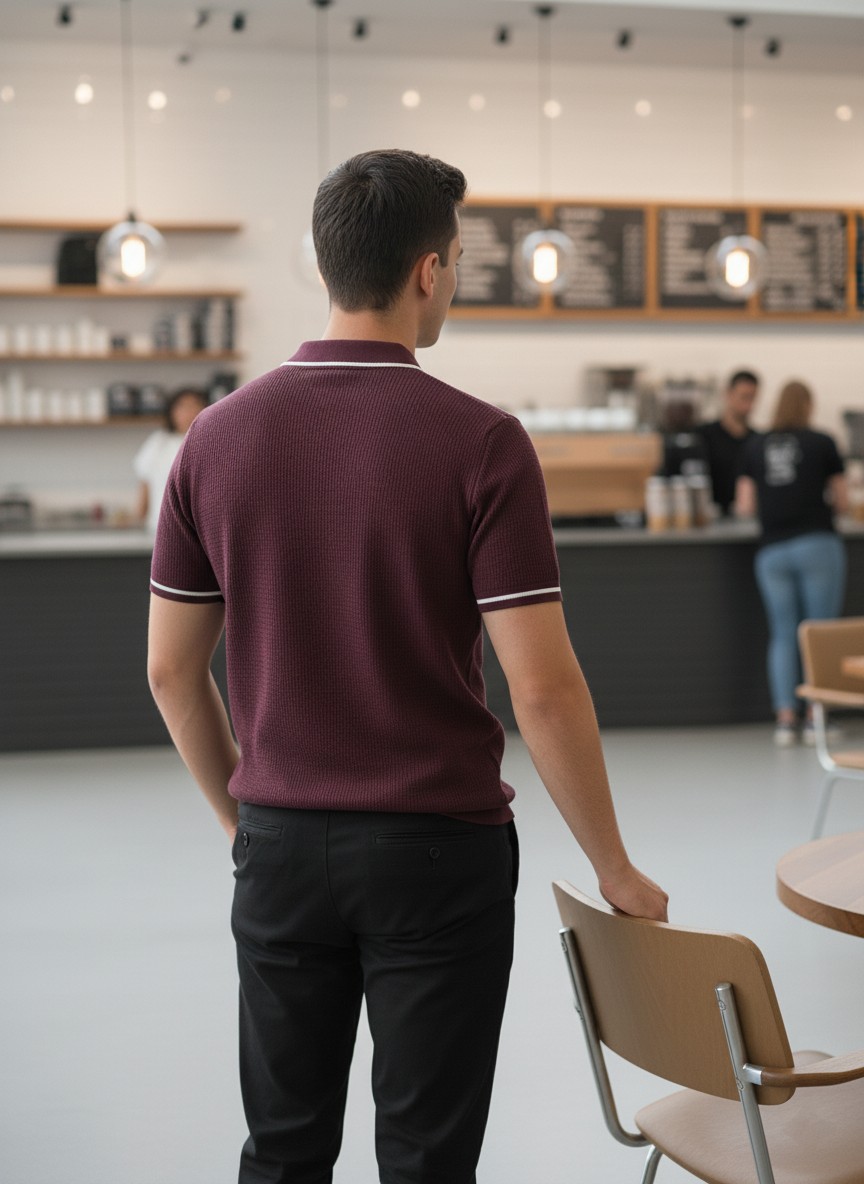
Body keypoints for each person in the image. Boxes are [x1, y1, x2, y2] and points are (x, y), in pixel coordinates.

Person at [146, 148, 668, 1184]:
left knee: (283, 1145)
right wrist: (612, 863)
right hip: (439, 850)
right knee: (427, 1155)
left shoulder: (212, 439)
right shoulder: (483, 442)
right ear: (428, 270)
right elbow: (544, 687)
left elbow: (171, 670)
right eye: (462, 260)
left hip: (283, 843)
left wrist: (242, 822)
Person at [737, 380, 848, 747]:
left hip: (772, 551)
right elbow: (844, 500)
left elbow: (744, 506)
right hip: (817, 544)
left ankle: (786, 720)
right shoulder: (823, 441)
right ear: (809, 405)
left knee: (783, 634)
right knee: (818, 633)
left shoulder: (755, 445)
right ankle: (818, 718)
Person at [134, 386, 208, 532]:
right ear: (172, 412)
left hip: (200, 531)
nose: (189, 412)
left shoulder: (212, 441)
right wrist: (138, 519)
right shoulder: (158, 442)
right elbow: (145, 486)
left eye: (194, 405)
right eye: (182, 407)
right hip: (159, 528)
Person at [698, 369, 760, 515]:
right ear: (728, 394)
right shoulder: (704, 436)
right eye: (744, 397)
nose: (748, 405)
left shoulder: (757, 441)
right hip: (710, 518)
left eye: (753, 398)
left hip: (746, 518)